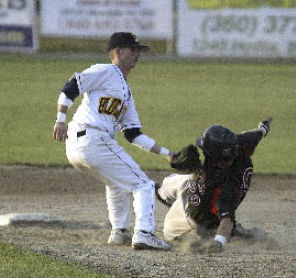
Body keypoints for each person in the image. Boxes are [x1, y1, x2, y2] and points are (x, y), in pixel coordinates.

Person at [52, 32, 174, 250]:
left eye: (138, 50)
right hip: (91, 138)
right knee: (143, 184)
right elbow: (71, 87)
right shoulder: (105, 71)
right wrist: (60, 119)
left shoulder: (126, 92)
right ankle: (144, 233)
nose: (137, 54)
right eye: (133, 49)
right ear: (118, 52)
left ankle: (119, 232)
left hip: (82, 145)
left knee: (116, 183)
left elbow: (133, 134)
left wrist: (166, 152)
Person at [156, 118, 272, 252]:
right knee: (178, 183)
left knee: (172, 226)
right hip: (198, 199)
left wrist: (218, 243)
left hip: (188, 222)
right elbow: (258, 133)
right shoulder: (241, 144)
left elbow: (226, 221)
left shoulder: (222, 187)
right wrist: (264, 128)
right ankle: (235, 233)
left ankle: (213, 234)